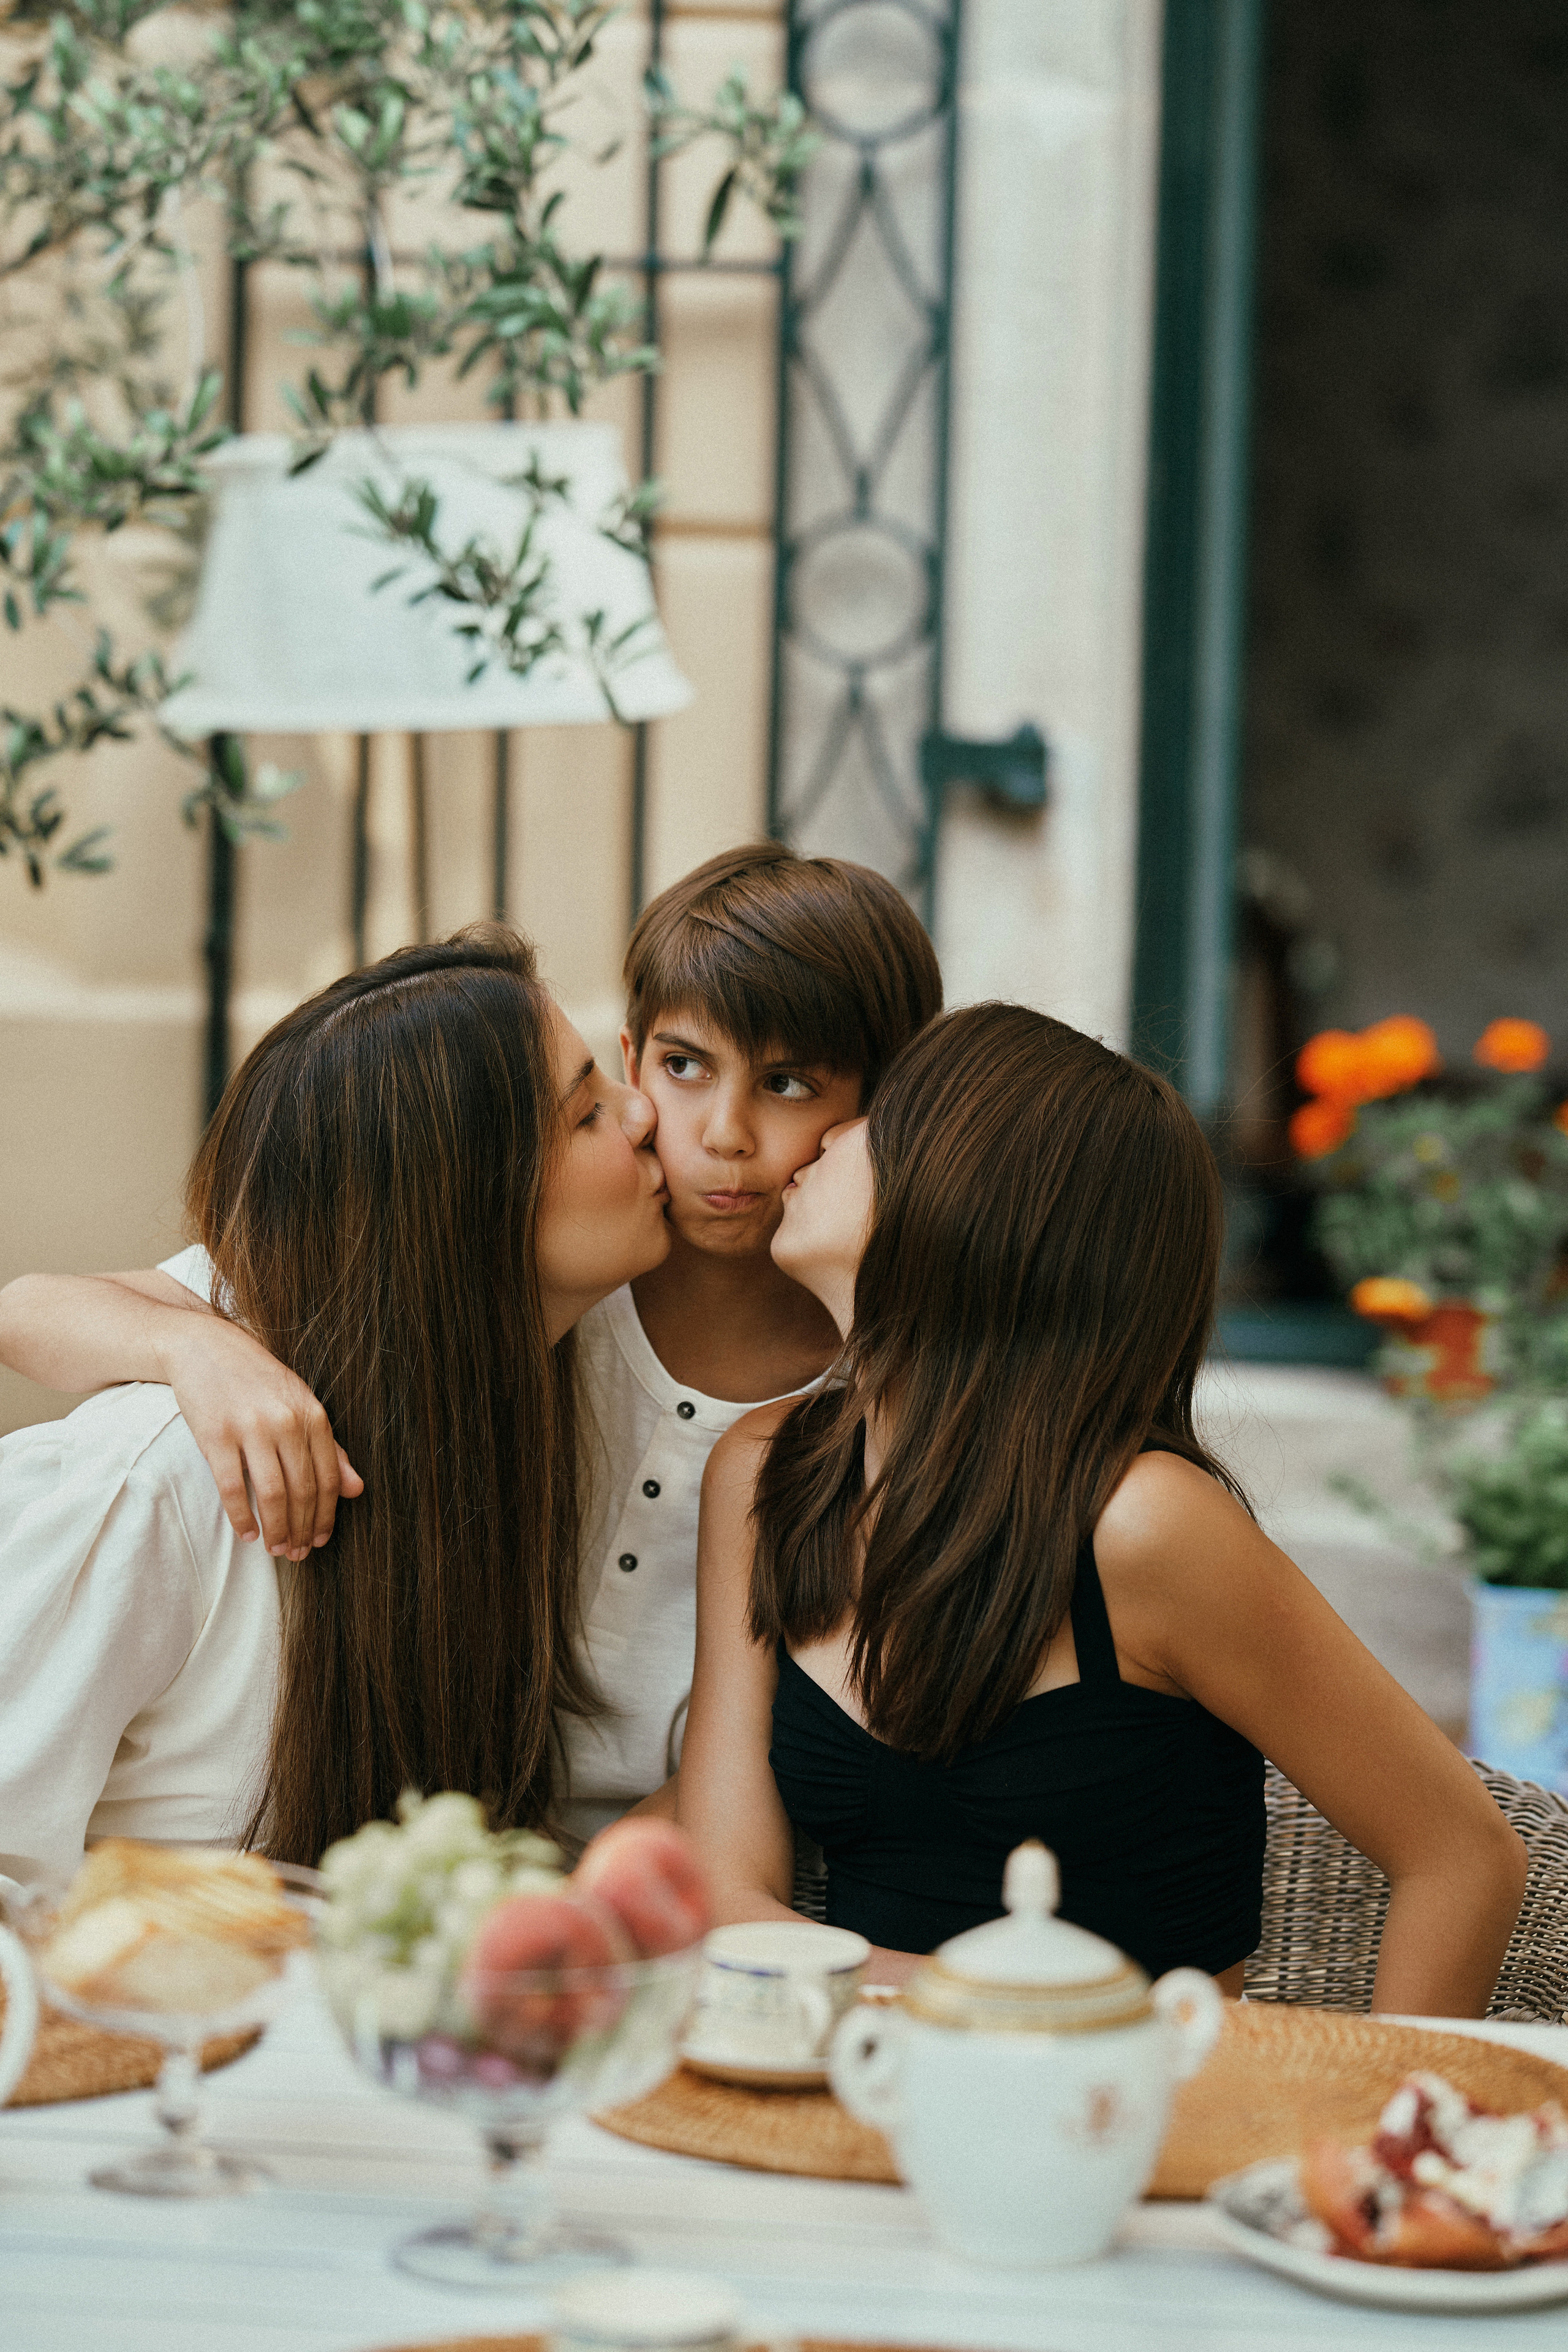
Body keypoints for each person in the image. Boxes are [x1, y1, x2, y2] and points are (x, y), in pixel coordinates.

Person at [0, 845, 943, 1847]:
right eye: (675, 1070)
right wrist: (196, 1350)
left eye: (788, 1083)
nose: (715, 1134)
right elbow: (31, 1310)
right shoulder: (463, 1309)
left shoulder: (872, 1398)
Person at [676, 1003, 1529, 2016]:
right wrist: (988, 2006)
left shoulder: (1147, 1527)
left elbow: (1462, 1856)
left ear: (973, 1197)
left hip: (1150, 2103)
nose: (832, 1133)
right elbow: (727, 1895)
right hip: (856, 2081)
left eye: (888, 1117)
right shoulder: (764, 1478)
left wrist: (1397, 2104)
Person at [0, 927, 669, 1896]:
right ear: (465, 1204)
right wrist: (189, 1347)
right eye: (588, 1113)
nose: (645, 1112)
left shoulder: (522, 1400)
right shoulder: (159, 1484)